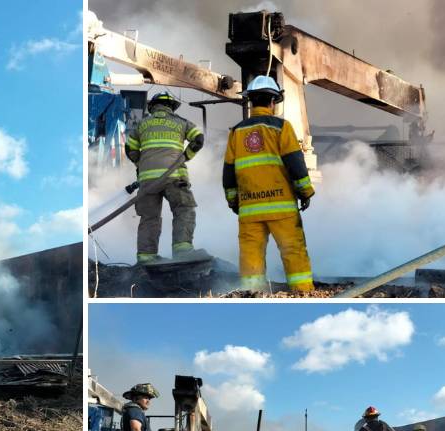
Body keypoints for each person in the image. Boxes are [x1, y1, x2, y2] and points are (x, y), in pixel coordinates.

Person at [222, 75, 316, 291]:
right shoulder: (282, 127)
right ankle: (302, 294)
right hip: (282, 208)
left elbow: (228, 172)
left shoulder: (237, 132)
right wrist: (306, 192)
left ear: (251, 101)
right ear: (273, 102)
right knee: (293, 251)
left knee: (251, 256)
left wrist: (233, 201)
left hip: (249, 210)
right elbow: (296, 163)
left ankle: (252, 295)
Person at [125, 92, 204, 264]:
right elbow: (198, 139)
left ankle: (146, 257)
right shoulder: (181, 122)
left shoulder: (142, 124)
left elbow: (129, 148)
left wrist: (141, 165)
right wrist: (186, 156)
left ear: (152, 106)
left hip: (147, 181)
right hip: (174, 176)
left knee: (149, 217)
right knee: (184, 209)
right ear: (171, 107)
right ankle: (182, 250)